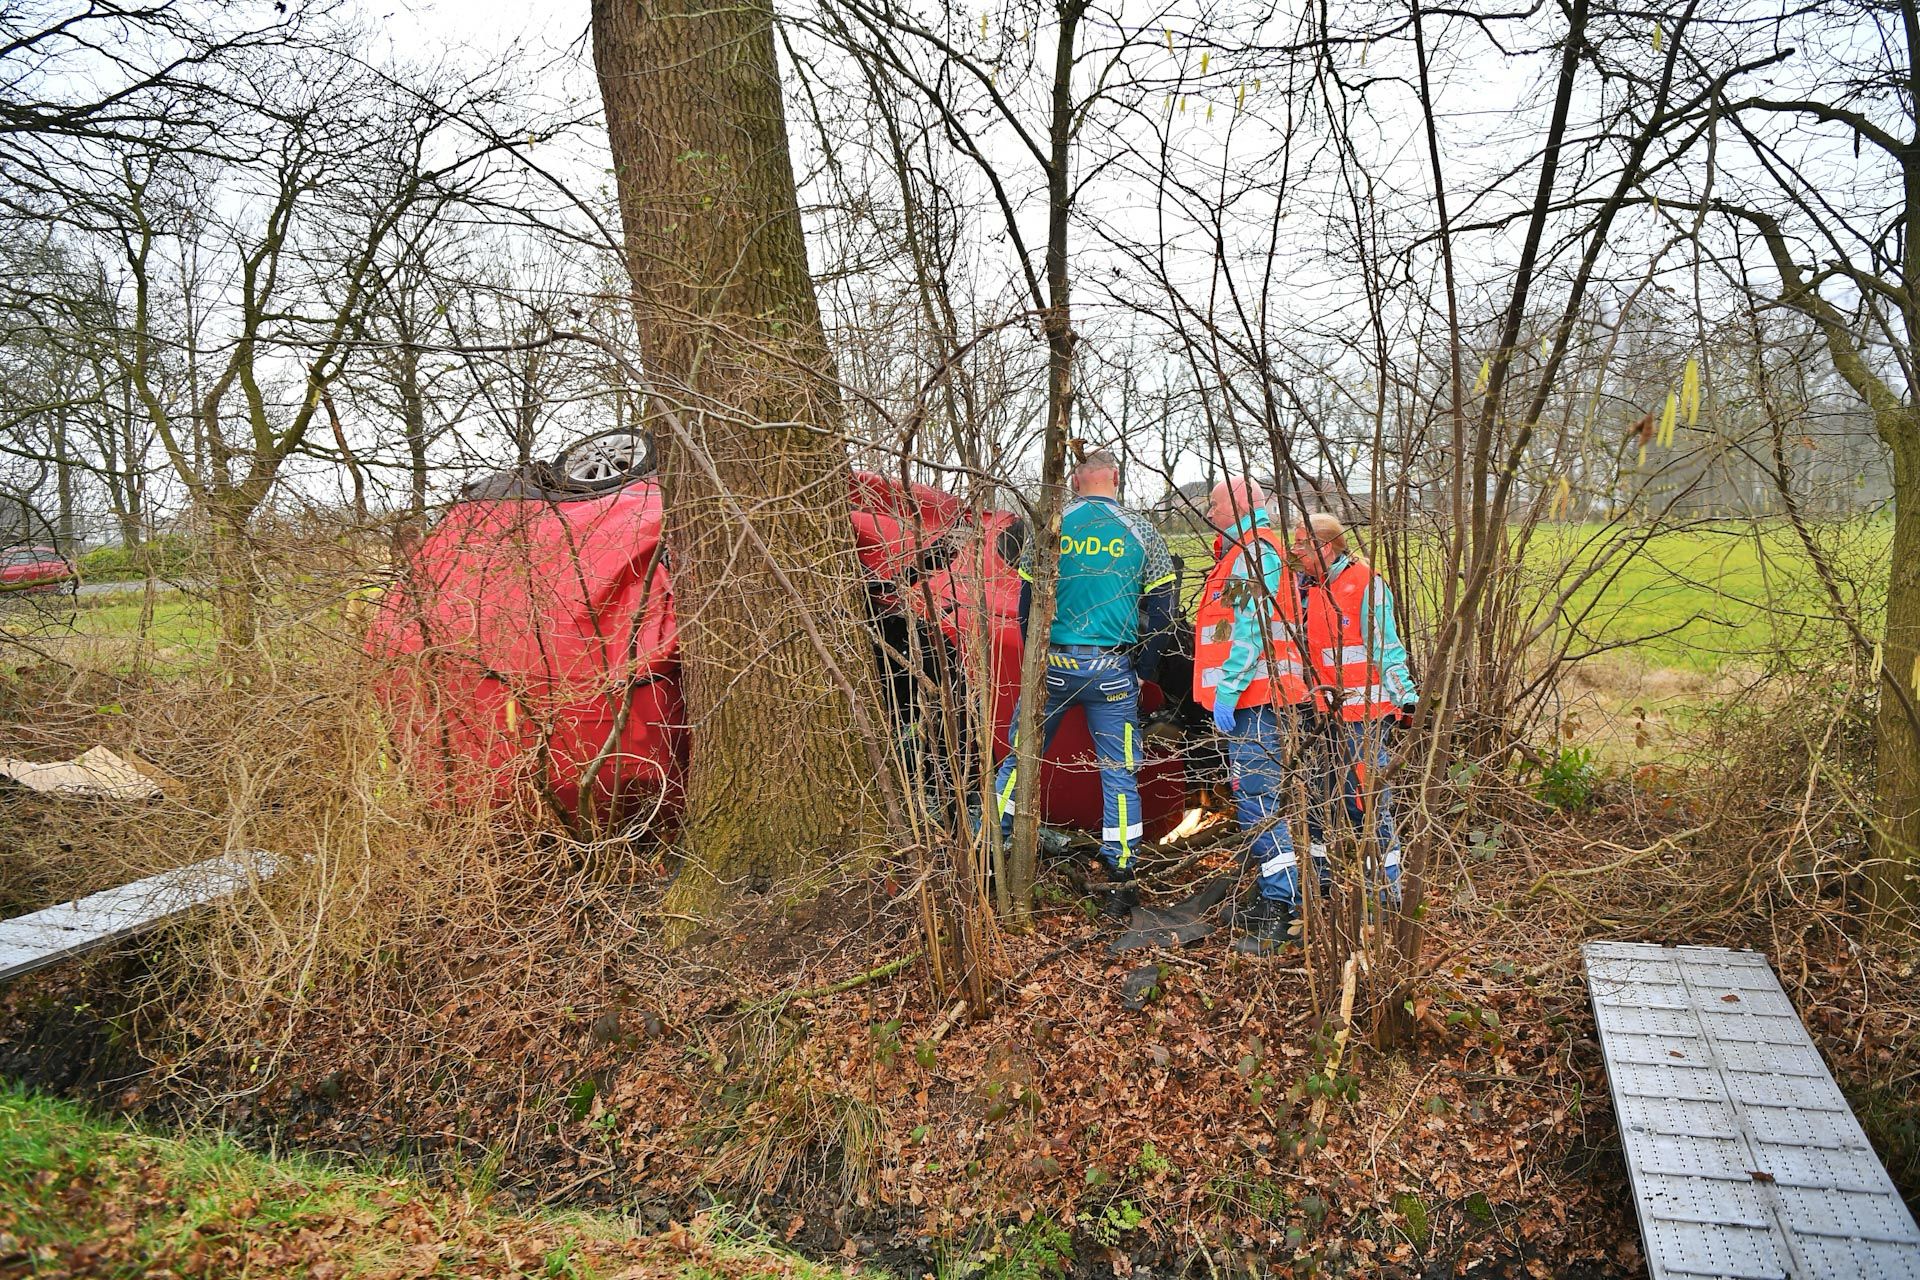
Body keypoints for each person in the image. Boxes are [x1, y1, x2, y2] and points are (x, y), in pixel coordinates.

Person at [993, 449, 1177, 918]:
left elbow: (1026, 602)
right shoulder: (1144, 533)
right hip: (1112, 670)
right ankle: (1123, 876)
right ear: (1115, 477)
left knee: (1020, 756)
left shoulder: (1051, 528)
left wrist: (1034, 660)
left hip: (1053, 664)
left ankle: (987, 844)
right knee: (1120, 773)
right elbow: (1163, 612)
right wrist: (1144, 671)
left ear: (1076, 481)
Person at [1193, 477, 1312, 955]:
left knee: (1259, 805)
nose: (1210, 510)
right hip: (1253, 699)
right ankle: (1271, 896)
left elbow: (1248, 632)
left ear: (1241, 503)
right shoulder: (1242, 551)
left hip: (1258, 700)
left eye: (1216, 502)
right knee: (1255, 802)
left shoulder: (1255, 552)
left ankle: (1283, 908)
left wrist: (1229, 689)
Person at [1289, 512, 1418, 906]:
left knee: (1369, 802)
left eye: (1300, 545)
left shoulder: (1365, 583)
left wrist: (1407, 698)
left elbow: (1387, 647)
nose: (1293, 552)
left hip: (1362, 716)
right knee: (1317, 798)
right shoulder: (1303, 587)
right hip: (1317, 714)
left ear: (1324, 547)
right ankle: (1321, 884)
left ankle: (1386, 893)